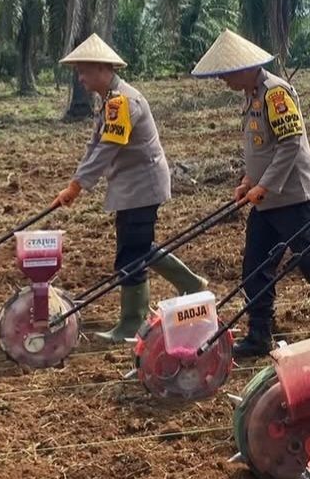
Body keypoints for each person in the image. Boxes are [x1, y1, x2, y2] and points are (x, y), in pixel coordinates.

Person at [191, 29, 310, 359]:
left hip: (294, 196)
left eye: (226, 73)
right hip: (267, 199)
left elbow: (288, 145)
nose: (223, 80)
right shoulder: (253, 95)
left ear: (242, 67)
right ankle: (258, 334)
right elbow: (260, 147)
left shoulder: (276, 93)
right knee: (254, 266)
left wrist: (263, 186)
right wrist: (246, 180)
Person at [52, 33, 207, 342]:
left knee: (131, 252)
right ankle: (190, 284)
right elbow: (94, 145)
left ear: (102, 69)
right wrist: (75, 181)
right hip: (131, 184)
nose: (80, 79)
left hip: (142, 185)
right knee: (137, 246)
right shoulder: (109, 101)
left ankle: (133, 322)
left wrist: (78, 187)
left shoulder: (123, 101)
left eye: (83, 71)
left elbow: (107, 149)